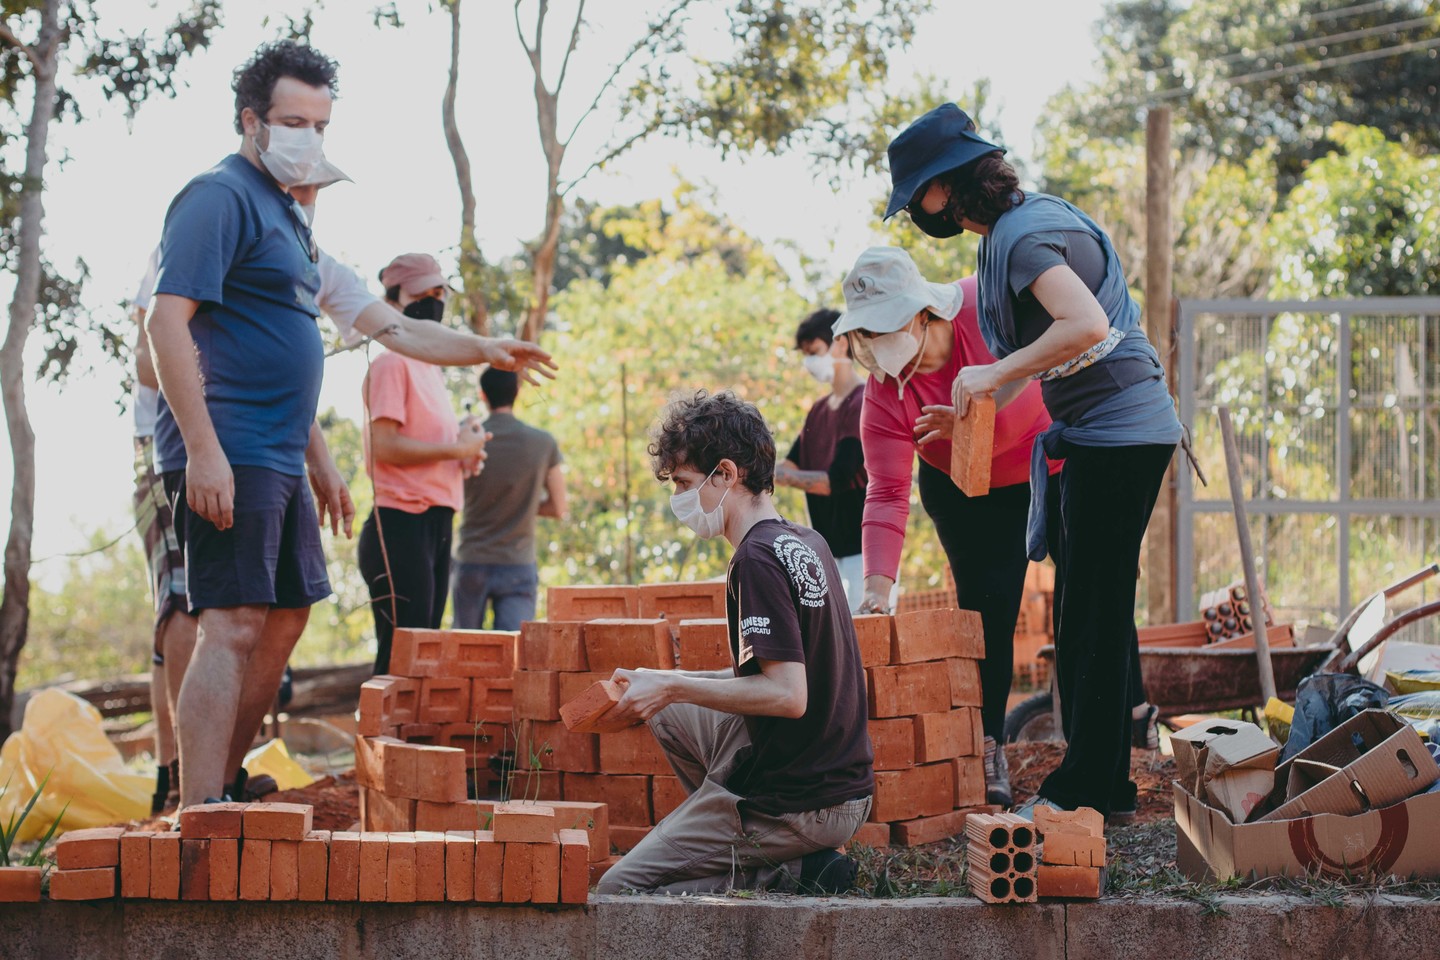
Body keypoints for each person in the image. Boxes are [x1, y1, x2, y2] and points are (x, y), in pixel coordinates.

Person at [146, 42, 554, 809]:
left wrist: (483, 348)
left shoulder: (295, 225)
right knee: (231, 622)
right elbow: (166, 326)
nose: (308, 136)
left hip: (280, 453)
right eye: (292, 120)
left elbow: (393, 328)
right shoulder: (218, 196)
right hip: (227, 445)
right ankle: (198, 811)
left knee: (287, 615)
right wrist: (202, 450)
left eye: (320, 124)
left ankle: (225, 784)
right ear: (251, 120)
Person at [885, 103, 1182, 819]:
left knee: (1095, 614)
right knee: (1084, 613)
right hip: (1092, 434)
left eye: (918, 195)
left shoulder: (1020, 239)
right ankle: (1102, 785)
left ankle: (1087, 789)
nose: (919, 211)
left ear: (945, 187)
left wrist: (989, 374)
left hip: (1122, 432)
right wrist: (979, 399)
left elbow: (1086, 325)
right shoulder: (1004, 238)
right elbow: (1041, 352)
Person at [594, 391, 874, 895]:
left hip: (802, 805)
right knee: (665, 709)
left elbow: (787, 695)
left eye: (683, 483)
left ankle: (772, 869)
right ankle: (730, 835)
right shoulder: (805, 541)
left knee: (620, 892)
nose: (679, 498)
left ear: (725, 474)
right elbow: (769, 677)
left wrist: (675, 686)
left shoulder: (756, 561)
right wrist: (664, 683)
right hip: (840, 787)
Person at [834, 246, 1058, 808]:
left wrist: (967, 414)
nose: (876, 344)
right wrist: (876, 591)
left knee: (1088, 588)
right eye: (865, 333)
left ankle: (1122, 725)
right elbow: (886, 492)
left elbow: (1039, 368)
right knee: (989, 611)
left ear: (922, 313)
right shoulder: (883, 396)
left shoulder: (985, 306)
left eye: (884, 326)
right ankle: (989, 745)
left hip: (1047, 459)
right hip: (963, 491)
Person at [357, 254, 488, 674]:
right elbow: (384, 447)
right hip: (399, 523)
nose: (434, 302)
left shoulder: (431, 369)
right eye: (422, 294)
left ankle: (406, 742)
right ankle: (377, 741)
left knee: (424, 655)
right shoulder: (391, 362)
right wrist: (456, 452)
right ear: (393, 301)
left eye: (439, 293)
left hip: (437, 520)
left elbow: (430, 449)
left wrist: (466, 453)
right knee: (400, 659)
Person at [129, 249, 192, 814]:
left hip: (219, 443)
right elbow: (149, 361)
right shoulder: (180, 247)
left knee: (202, 606)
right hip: (162, 445)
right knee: (180, 605)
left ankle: (184, 770)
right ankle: (178, 779)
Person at [451, 367, 566, 631]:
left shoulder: (467, 440)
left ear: (483, 395)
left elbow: (451, 492)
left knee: (463, 655)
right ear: (517, 392)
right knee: (514, 655)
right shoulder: (543, 442)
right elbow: (559, 507)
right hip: (517, 563)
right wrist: (522, 504)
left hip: (471, 560)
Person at [774, 308, 868, 611]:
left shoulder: (863, 402)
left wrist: (777, 476)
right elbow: (791, 464)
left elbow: (834, 481)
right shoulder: (818, 410)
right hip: (825, 551)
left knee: (867, 639)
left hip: (864, 551)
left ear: (840, 344)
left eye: (814, 351)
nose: (810, 362)